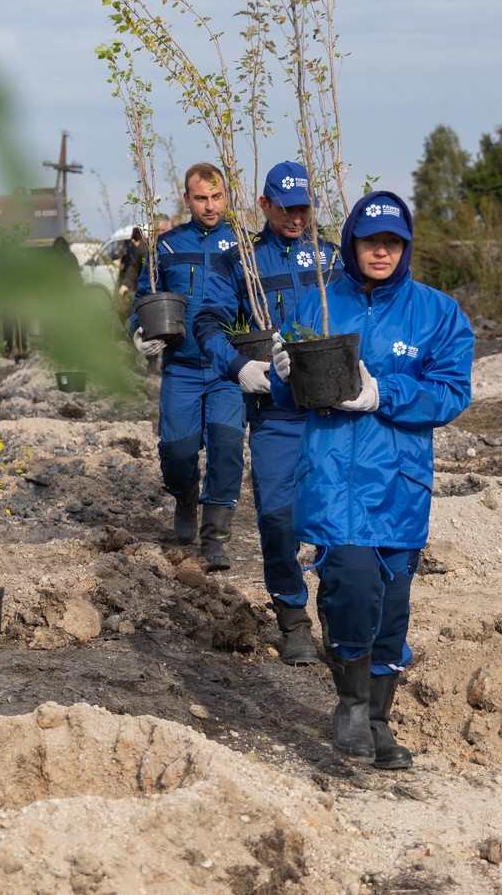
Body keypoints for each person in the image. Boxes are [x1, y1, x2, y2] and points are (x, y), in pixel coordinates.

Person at [269, 189, 474, 769]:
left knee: (393, 601)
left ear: (405, 248)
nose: (379, 251)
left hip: (400, 482)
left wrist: (385, 392)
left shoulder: (438, 313)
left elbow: (453, 391)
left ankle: (380, 718)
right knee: (352, 582)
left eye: (391, 242)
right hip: (333, 475)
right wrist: (282, 374)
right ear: (351, 243)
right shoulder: (317, 306)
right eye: (369, 241)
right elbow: (294, 395)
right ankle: (352, 705)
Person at [193, 160, 341, 662]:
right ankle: (293, 619)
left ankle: (340, 618)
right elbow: (207, 322)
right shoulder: (241, 261)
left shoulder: (332, 258)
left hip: (332, 412)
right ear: (264, 205)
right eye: (286, 208)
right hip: (275, 413)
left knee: (338, 521)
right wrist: (237, 367)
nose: (296, 217)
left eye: (304, 208)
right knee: (278, 521)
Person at [129, 163, 244, 567]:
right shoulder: (168, 247)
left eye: (216, 197)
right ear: (187, 200)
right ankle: (184, 497)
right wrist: (138, 333)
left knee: (227, 446)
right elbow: (144, 297)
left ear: (227, 196)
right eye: (201, 198)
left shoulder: (244, 246)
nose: (209, 206)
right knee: (176, 453)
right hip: (181, 366)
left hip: (229, 370)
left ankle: (215, 537)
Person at [117, 226, 146, 294]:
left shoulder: (129, 246)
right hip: (134, 282)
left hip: (129, 279)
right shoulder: (139, 248)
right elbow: (134, 267)